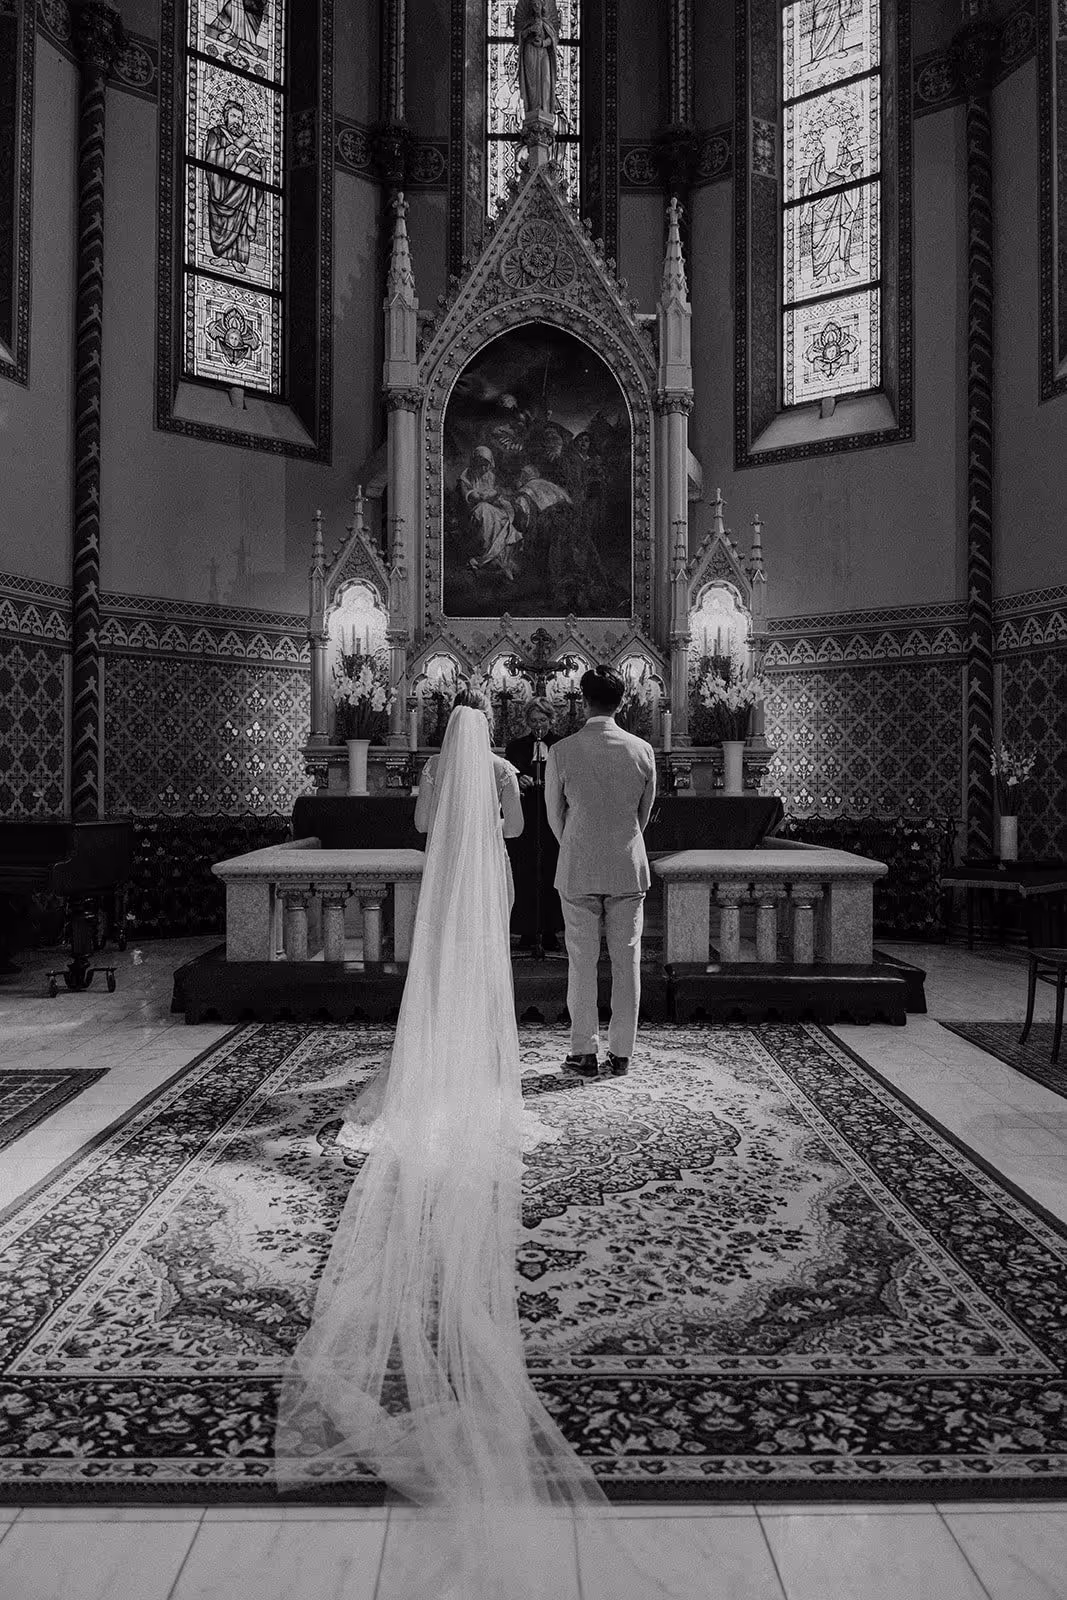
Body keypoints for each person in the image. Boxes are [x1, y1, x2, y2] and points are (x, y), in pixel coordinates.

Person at [275, 693, 694, 1600]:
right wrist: (518, 819)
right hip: (574, 866)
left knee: (511, 964)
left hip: (460, 883)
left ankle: (561, 1047)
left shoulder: (439, 770)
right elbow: (522, 824)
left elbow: (440, 824)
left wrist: (490, 816)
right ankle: (608, 1053)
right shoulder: (528, 764)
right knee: (603, 959)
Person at [544, 667, 656, 1079]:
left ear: (584, 701)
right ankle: (622, 1054)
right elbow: (642, 815)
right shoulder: (642, 750)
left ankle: (583, 1053)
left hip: (578, 867)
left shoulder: (562, 750)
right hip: (627, 866)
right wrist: (619, 843)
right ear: (622, 702)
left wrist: (577, 845)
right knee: (626, 962)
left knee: (581, 961)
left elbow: (555, 816)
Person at [504, 698, 564, 952]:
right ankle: (527, 931)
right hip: (527, 814)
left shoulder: (561, 745)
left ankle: (550, 930)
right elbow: (509, 773)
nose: (538, 726)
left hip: (551, 815)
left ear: (551, 720)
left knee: (551, 870)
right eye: (533, 721)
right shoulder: (516, 746)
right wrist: (521, 778)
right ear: (526, 722)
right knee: (525, 871)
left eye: (543, 720)